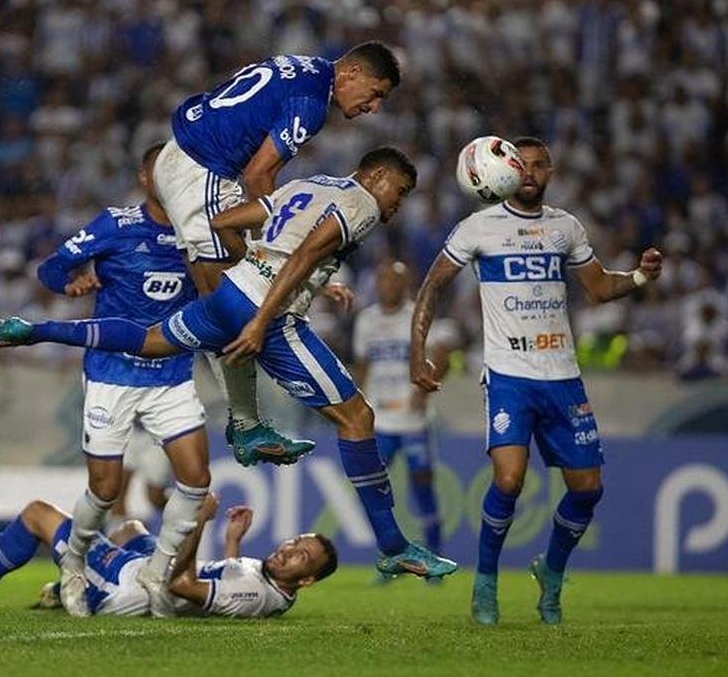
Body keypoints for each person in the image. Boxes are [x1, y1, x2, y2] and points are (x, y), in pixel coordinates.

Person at [0, 147, 456, 579]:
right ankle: (393, 546)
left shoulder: (309, 184)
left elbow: (226, 223)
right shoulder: (362, 203)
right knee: (358, 418)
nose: (398, 203)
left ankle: (33, 330)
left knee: (150, 339)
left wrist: (258, 265)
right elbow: (306, 255)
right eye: (400, 190)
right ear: (375, 176)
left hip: (228, 295)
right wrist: (261, 318)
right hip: (268, 315)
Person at [410, 136, 663, 625]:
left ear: (551, 173)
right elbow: (432, 287)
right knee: (509, 479)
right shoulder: (478, 227)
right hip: (509, 376)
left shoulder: (565, 228)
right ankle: (485, 582)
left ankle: (551, 571)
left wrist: (638, 278)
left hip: (563, 376)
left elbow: (598, 287)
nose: (529, 172)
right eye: (520, 164)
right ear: (504, 170)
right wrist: (416, 353)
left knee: (588, 489)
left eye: (539, 165)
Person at [152, 43, 401, 467]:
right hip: (206, 175)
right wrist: (287, 242)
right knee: (238, 309)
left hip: (180, 158)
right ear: (352, 72)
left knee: (227, 305)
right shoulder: (312, 101)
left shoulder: (301, 67)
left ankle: (246, 424)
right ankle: (248, 425)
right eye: (374, 93)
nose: (373, 107)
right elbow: (259, 173)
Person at [28, 142, 210, 617]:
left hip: (171, 374)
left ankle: (158, 572)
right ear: (147, 179)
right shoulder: (116, 224)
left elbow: (246, 272)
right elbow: (50, 268)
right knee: (106, 490)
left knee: (195, 479)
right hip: (113, 374)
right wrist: (71, 281)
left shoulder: (202, 229)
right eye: (163, 172)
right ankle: (74, 563)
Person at [0, 493, 336, 618]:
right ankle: (65, 583)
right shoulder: (266, 584)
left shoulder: (255, 593)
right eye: (295, 542)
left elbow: (181, 585)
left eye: (302, 557)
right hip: (145, 565)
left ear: (308, 581)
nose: (288, 550)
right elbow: (227, 581)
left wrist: (201, 522)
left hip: (127, 586)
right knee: (132, 527)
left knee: (37, 514)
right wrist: (232, 541)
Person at [353, 260, 455, 571]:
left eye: (395, 281)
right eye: (383, 280)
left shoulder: (417, 315)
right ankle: (391, 553)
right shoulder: (366, 320)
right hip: (381, 418)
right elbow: (362, 363)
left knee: (422, 482)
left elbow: (442, 354)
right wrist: (359, 404)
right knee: (376, 485)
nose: (388, 286)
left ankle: (434, 552)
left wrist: (424, 391)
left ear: (404, 284)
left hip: (412, 418)